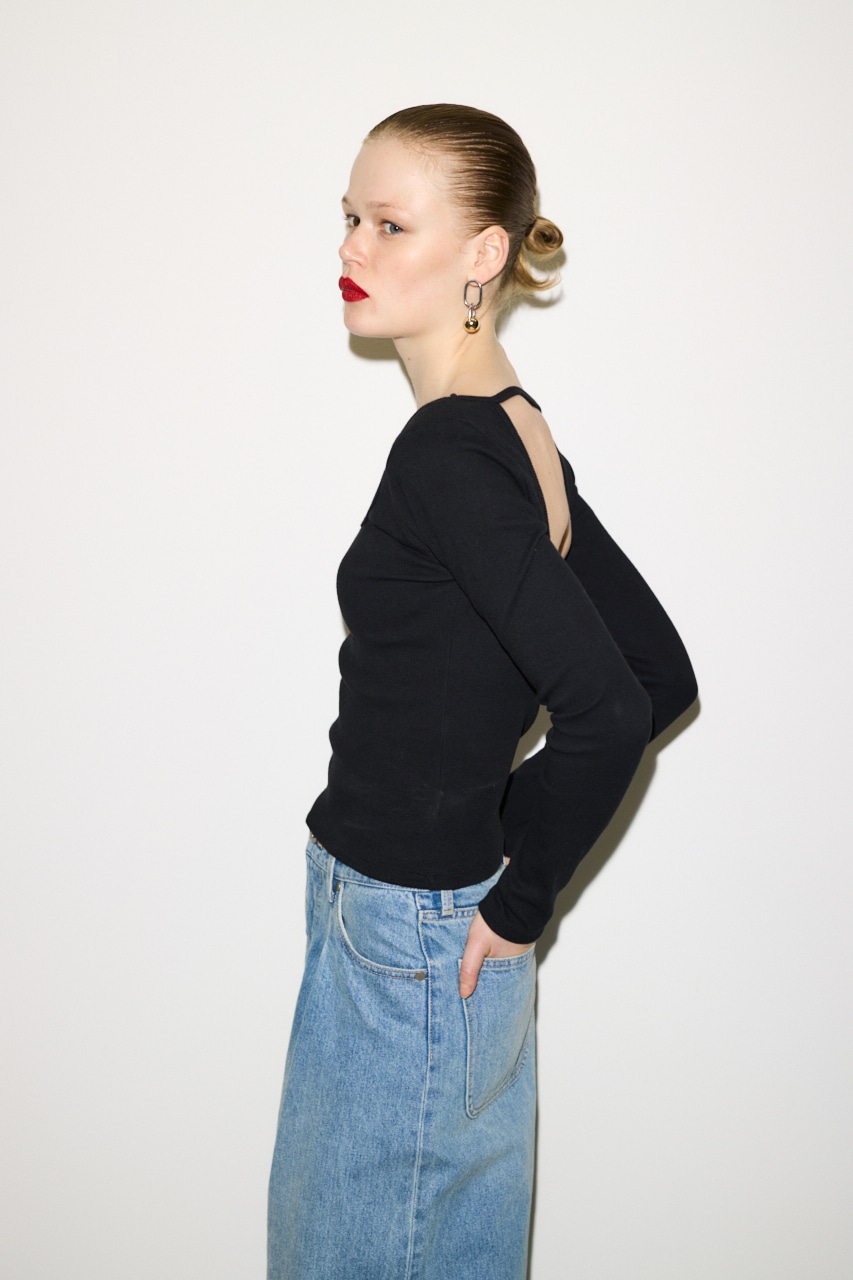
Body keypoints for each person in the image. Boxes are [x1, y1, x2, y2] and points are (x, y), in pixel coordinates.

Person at [268, 104, 697, 1280]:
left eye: (388, 223)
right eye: (349, 219)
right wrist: (493, 852)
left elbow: (619, 703)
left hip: (405, 935)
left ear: (483, 253)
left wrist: (516, 896)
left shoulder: (450, 452)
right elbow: (655, 673)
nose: (351, 247)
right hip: (420, 925)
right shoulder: (514, 433)